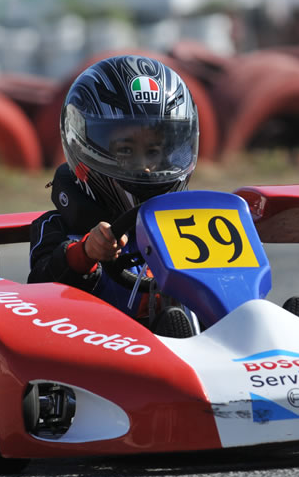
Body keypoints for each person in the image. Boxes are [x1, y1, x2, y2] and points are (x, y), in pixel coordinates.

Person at [27, 54, 199, 337]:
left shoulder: (190, 223)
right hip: (101, 353)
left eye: (153, 152)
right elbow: (40, 289)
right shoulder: (56, 228)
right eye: (126, 151)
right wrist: (86, 253)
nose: (144, 166)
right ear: (86, 144)